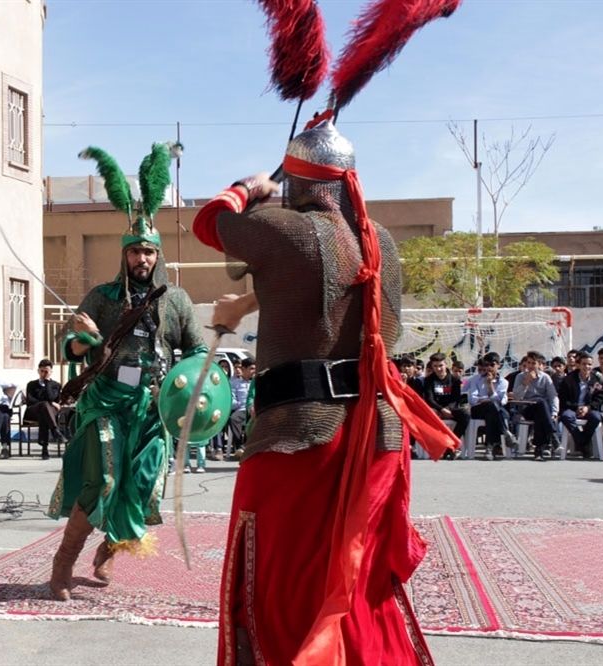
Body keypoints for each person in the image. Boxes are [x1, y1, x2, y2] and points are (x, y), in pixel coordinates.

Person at [192, 115, 457, 662]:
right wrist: (249, 301)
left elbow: (209, 221)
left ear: (296, 182)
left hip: (300, 433)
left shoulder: (282, 229)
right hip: (376, 430)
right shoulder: (378, 240)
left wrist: (249, 188)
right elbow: (343, 301)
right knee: (357, 578)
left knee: (278, 576)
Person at [47, 141, 204, 602]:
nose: (142, 260)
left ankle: (109, 549)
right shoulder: (101, 296)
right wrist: (84, 338)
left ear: (158, 255)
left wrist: (193, 386)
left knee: (141, 488)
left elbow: (196, 351)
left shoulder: (175, 300)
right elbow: (70, 348)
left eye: (149, 252)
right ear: (124, 254)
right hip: (106, 404)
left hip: (154, 407)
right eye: (135, 252)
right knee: (102, 482)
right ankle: (61, 566)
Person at [511, 350, 560, 460]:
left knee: (540, 409)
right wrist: (525, 383)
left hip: (542, 411)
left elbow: (553, 396)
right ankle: (552, 435)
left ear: (539, 365)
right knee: (541, 402)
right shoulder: (520, 377)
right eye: (529, 363)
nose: (531, 366)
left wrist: (555, 412)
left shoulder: (545, 377)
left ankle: (539, 449)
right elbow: (517, 397)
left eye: (534, 363)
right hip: (526, 409)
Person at [556, 351, 603, 458]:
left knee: (596, 417)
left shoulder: (595, 379)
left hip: (589, 408)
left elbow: (600, 397)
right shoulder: (568, 379)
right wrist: (576, 407)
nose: (587, 367)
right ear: (578, 365)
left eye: (589, 364)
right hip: (572, 408)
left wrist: (588, 408)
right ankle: (583, 443)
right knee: (566, 416)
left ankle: (581, 442)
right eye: (584, 364)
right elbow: (563, 398)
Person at [422, 352, 468, 459]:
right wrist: (441, 409)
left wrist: (448, 409)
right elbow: (429, 399)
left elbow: (456, 399)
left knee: (465, 414)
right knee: (430, 414)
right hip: (436, 409)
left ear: (446, 364)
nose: (438, 369)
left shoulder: (455, 380)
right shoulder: (429, 380)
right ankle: (437, 447)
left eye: (440, 365)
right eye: (435, 366)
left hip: (450, 409)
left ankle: (451, 446)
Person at [467, 354, 513, 459]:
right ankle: (505, 432)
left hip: (493, 410)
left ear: (499, 366)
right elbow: (473, 399)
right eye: (487, 365)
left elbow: (500, 401)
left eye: (492, 365)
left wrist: (490, 385)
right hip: (478, 409)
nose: (489, 368)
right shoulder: (476, 379)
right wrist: (487, 400)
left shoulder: (503, 382)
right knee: (498, 410)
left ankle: (489, 446)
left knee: (493, 411)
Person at [23, 358, 62, 460]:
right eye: (42, 371)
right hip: (33, 411)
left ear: (51, 372)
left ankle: (45, 449)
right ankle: (55, 431)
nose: (44, 373)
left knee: (44, 413)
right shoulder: (31, 384)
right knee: (44, 406)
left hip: (49, 413)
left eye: (46, 371)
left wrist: (48, 384)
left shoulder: (55, 385)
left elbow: (53, 398)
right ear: (38, 371)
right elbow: (31, 400)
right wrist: (50, 403)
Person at [226, 357, 255, 460]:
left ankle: (245, 447)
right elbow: (231, 399)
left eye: (255, 369)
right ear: (244, 369)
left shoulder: (256, 381)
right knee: (234, 418)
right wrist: (239, 404)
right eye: (251, 369)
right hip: (241, 409)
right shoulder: (234, 383)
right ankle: (239, 447)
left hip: (254, 410)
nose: (254, 371)